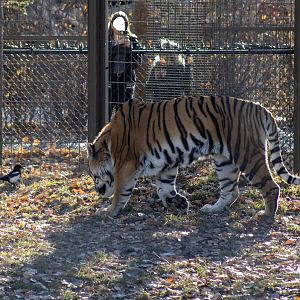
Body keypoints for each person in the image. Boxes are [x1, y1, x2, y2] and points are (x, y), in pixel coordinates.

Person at [108, 11, 142, 116]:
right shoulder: (106, 40)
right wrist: (116, 48)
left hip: (126, 81)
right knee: (106, 112)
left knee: (125, 114)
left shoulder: (132, 39)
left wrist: (129, 49)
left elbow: (137, 63)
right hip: (110, 80)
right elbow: (103, 60)